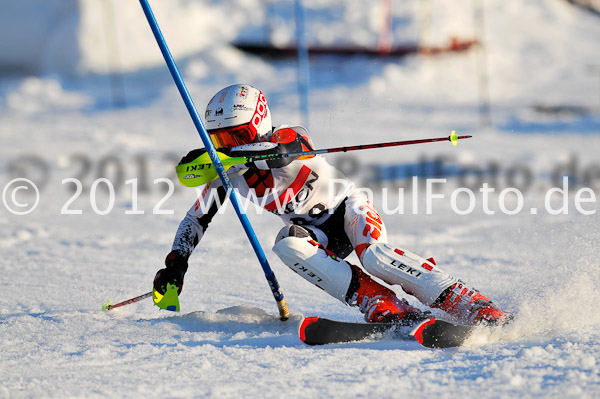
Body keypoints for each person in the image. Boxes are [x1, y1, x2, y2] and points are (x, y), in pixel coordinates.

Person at [153, 84, 509, 326]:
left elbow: (284, 152)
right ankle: (380, 303)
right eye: (220, 138)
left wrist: (228, 154)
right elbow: (195, 219)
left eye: (238, 136)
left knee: (374, 256)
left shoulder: (287, 135)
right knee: (286, 242)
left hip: (348, 209)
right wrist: (176, 264)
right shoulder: (226, 172)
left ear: (259, 122)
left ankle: (465, 300)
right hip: (315, 233)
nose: (229, 145)